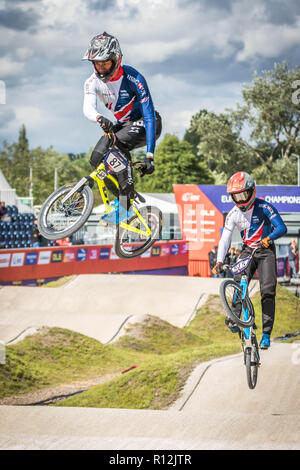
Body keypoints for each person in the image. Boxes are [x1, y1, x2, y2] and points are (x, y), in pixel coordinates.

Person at [82, 32, 162, 224]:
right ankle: (125, 199)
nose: (100, 68)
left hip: (147, 123)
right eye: (96, 63)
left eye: (105, 63)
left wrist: (150, 155)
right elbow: (88, 107)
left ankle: (126, 205)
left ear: (116, 59)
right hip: (124, 125)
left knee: (116, 146)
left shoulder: (134, 78)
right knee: (96, 159)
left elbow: (149, 115)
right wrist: (99, 118)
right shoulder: (92, 82)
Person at [212, 171, 287, 349]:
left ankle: (266, 334)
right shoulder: (232, 214)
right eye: (235, 196)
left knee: (267, 291)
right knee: (238, 280)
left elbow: (282, 228)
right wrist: (219, 261)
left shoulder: (264, 207)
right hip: (248, 251)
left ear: (252, 190)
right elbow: (225, 239)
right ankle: (235, 316)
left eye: (243, 194)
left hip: (265, 250)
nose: (240, 200)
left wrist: (269, 238)